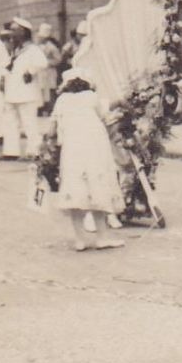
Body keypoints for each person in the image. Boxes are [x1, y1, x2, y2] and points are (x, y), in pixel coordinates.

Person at [50, 68, 126, 251]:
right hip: (95, 148)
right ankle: (102, 237)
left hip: (72, 149)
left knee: (76, 188)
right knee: (97, 186)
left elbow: (51, 130)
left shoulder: (61, 100)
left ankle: (80, 239)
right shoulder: (92, 97)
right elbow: (107, 118)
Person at [1, 19, 48, 160]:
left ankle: (34, 152)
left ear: (23, 32)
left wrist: (30, 71)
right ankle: (11, 152)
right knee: (10, 122)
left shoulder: (33, 49)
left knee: (29, 122)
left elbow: (43, 63)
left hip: (26, 92)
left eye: (15, 30)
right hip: (12, 92)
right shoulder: (15, 49)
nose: (12, 33)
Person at [35, 22, 63, 114]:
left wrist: (48, 62)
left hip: (49, 71)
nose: (40, 38)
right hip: (40, 71)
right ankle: (40, 108)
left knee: (50, 90)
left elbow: (58, 59)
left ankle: (51, 109)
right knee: (40, 89)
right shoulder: (37, 47)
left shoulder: (52, 47)